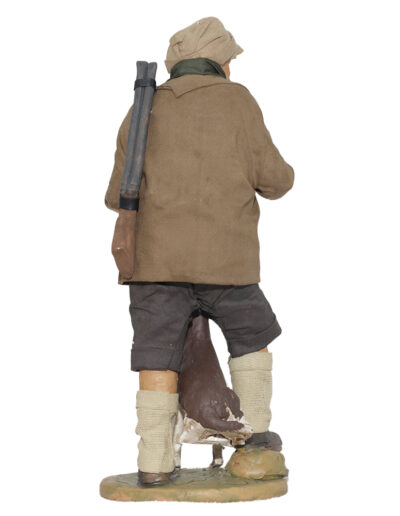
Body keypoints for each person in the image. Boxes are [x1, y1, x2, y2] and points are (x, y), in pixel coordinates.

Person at [105, 16, 294, 486]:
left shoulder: (143, 107)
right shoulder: (238, 101)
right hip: (228, 267)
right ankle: (255, 441)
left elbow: (116, 195)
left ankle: (153, 462)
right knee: (251, 338)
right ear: (222, 64)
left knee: (156, 356)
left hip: (153, 268)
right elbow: (276, 181)